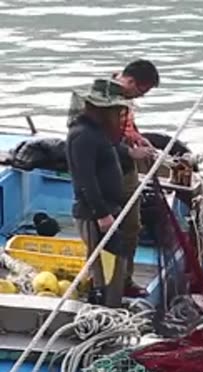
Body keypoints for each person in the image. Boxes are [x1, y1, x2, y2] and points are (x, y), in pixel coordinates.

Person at [66, 79, 133, 307]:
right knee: (104, 266)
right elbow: (85, 179)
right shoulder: (82, 135)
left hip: (108, 209)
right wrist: (101, 213)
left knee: (114, 261)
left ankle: (111, 304)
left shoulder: (97, 133)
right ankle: (103, 309)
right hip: (95, 213)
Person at [112, 59, 161, 299]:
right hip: (106, 173)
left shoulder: (125, 100)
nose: (141, 96)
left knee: (132, 227)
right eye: (142, 91)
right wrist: (130, 152)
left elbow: (126, 127)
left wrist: (139, 139)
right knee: (109, 231)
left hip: (127, 172)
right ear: (130, 81)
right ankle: (104, 284)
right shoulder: (102, 100)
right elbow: (96, 141)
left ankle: (125, 279)